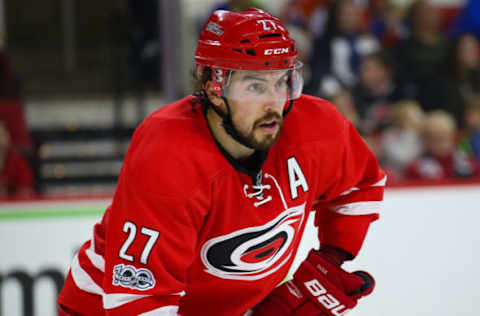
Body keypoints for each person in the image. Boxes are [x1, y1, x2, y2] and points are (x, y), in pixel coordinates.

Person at [57, 8, 385, 316]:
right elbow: (139, 300)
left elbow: (361, 183)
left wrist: (332, 257)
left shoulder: (316, 127)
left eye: (282, 81)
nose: (274, 103)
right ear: (214, 88)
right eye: (255, 86)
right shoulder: (169, 154)